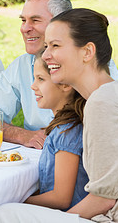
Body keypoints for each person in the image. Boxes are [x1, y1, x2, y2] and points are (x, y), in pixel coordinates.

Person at [0, 8, 118, 222]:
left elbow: (103, 199)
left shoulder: (104, 103)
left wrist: (53, 217)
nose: (46, 55)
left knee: (3, 213)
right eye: (46, 46)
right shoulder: (103, 96)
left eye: (55, 46)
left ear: (87, 52)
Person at [0, 0, 118, 149]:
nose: (25, 28)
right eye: (23, 20)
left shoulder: (94, 67)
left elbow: (117, 124)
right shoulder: (21, 65)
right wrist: (23, 135)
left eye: (35, 20)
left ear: (61, 23)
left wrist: (60, 138)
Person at [25, 52, 88, 210]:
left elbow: (61, 199)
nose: (33, 86)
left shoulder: (66, 132)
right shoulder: (62, 126)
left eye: (41, 79)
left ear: (65, 85)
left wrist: (18, 200)